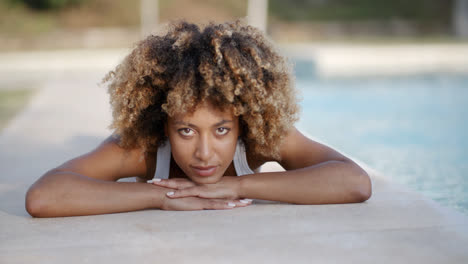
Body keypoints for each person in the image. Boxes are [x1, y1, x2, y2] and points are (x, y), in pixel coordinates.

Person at [25, 20, 371, 217]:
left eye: (221, 130)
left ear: (242, 122)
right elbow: (44, 197)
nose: (205, 153)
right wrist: (161, 196)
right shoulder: (143, 150)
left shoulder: (259, 141)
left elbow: (353, 182)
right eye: (186, 131)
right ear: (163, 125)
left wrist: (235, 185)